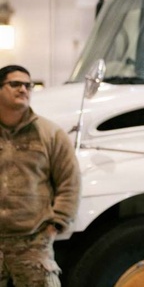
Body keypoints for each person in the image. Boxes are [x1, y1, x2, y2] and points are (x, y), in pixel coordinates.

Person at [0, 65, 80, 286]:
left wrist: (57, 223)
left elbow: (70, 181)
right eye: (15, 84)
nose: (23, 89)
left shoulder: (50, 134)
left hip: (33, 242)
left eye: (28, 85)